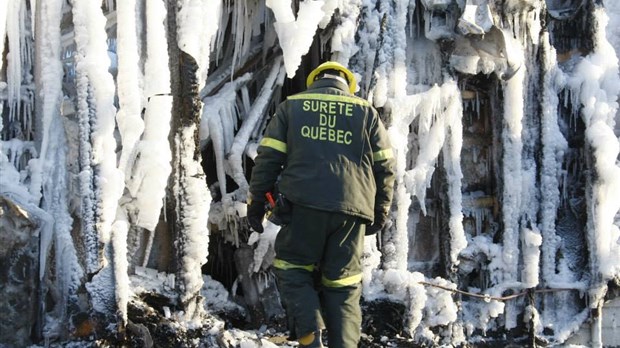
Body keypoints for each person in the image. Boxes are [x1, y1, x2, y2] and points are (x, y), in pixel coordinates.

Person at [247, 61, 396, 348]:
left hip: (302, 205)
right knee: (343, 285)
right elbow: (385, 167)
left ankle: (310, 340)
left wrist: (256, 204)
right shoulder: (366, 112)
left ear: (314, 82)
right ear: (348, 85)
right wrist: (380, 211)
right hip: (352, 211)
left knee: (293, 270)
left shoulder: (293, 106)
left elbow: (268, 159)